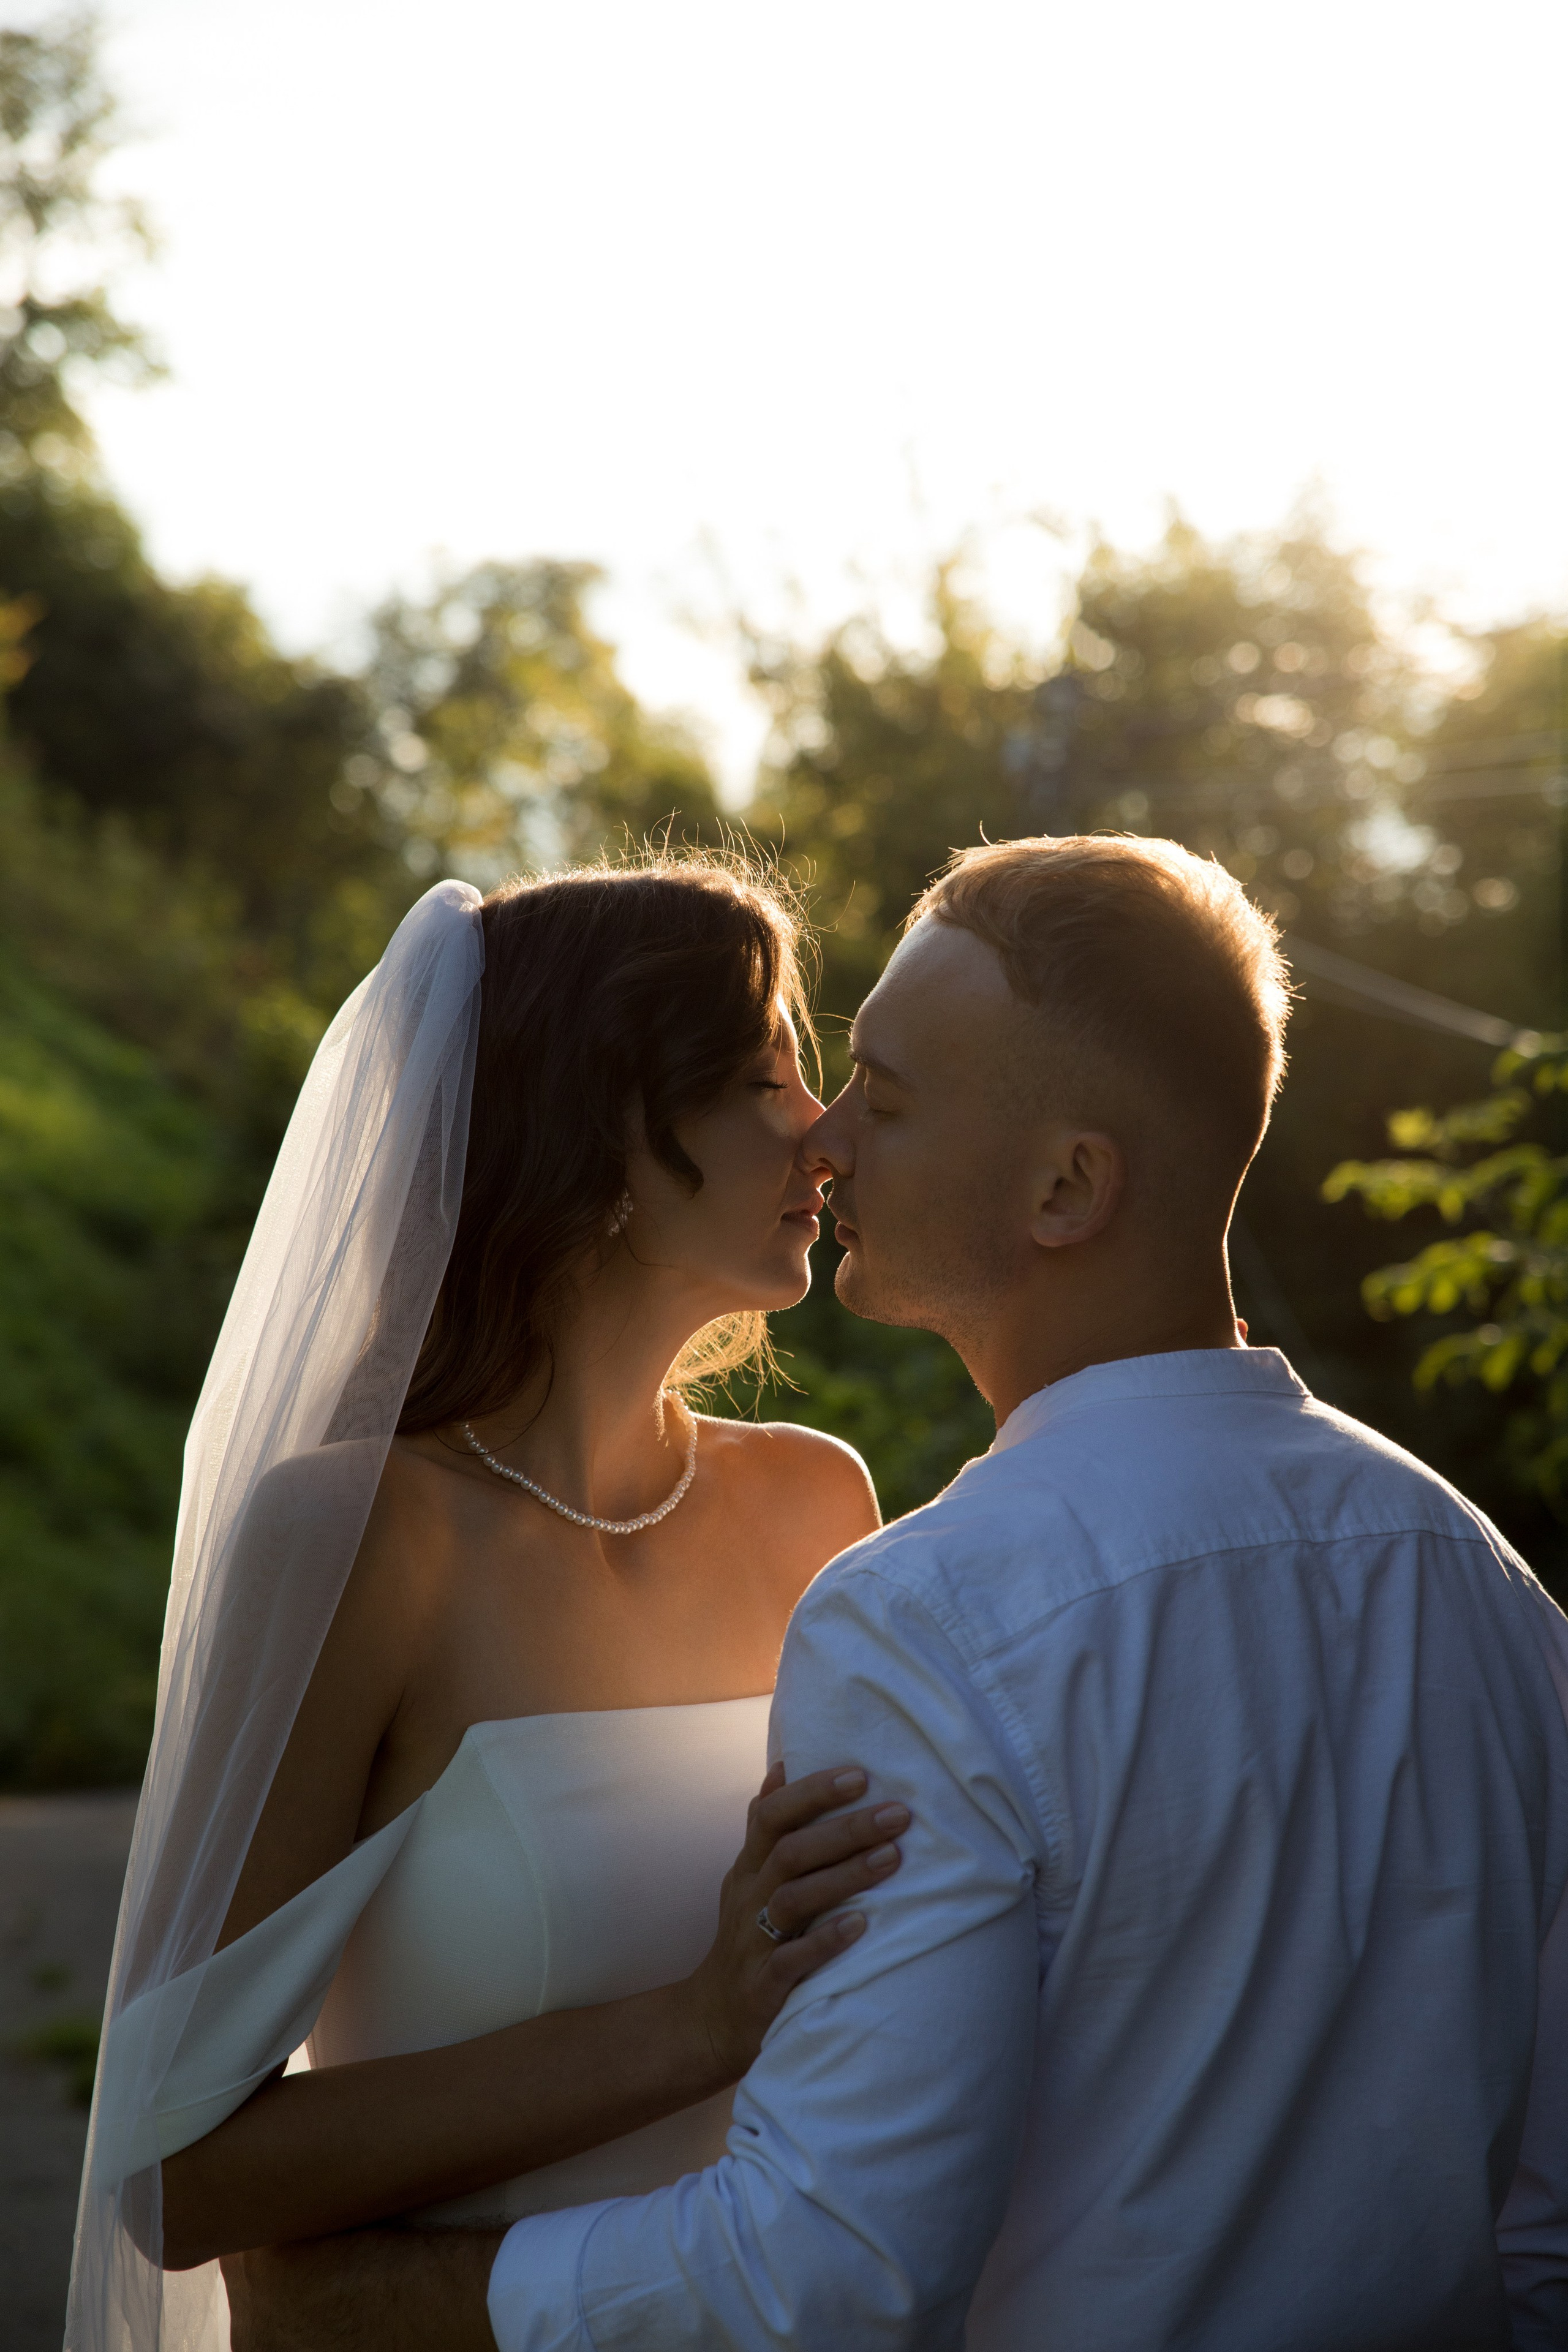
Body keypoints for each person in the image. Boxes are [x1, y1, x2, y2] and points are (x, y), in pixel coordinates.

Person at [249, 831, 1568, 2350]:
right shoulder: (1488, 1586)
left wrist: (355, 2307)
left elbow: (834, 2273)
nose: (829, 1143)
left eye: (880, 1094)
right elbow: (1541, 2225)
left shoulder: (931, 1616)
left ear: (1066, 1186)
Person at [70, 854, 909, 2352]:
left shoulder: (818, 1503)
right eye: (766, 1074)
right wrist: (689, 2027)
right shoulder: (362, 1536)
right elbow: (173, 2171)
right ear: (596, 1133)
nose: (825, 1131)